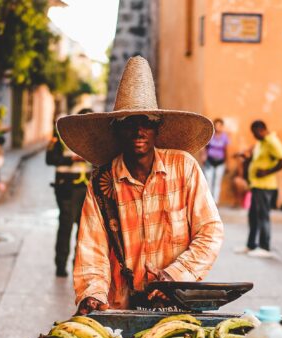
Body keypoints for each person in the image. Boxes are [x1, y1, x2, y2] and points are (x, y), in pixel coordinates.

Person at [57, 56, 223, 313]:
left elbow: (210, 231)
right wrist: (92, 293)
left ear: (157, 128)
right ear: (116, 130)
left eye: (146, 122)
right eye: (129, 123)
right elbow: (93, 248)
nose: (138, 131)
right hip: (121, 306)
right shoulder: (103, 181)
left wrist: (174, 275)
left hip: (178, 301)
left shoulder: (184, 167)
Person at [47, 110, 92, 277]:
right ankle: (61, 265)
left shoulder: (93, 140)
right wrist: (71, 159)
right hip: (66, 188)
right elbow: (50, 159)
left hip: (86, 189)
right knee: (66, 226)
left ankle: (78, 266)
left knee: (84, 230)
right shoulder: (61, 136)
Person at [234, 120, 282, 257]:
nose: (254, 136)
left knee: (263, 216)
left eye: (255, 133)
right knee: (253, 216)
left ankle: (265, 247)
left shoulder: (272, 142)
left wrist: (267, 172)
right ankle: (251, 245)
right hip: (256, 185)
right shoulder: (261, 142)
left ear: (261, 129)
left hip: (266, 186)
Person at [202, 118, 229, 203]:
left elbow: (226, 150)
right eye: (216, 125)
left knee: (217, 182)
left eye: (219, 125)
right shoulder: (210, 135)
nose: (217, 127)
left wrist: (227, 163)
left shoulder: (225, 137)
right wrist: (203, 157)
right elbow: (205, 148)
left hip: (220, 162)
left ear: (222, 126)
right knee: (208, 180)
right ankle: (208, 201)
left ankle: (215, 202)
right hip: (209, 161)